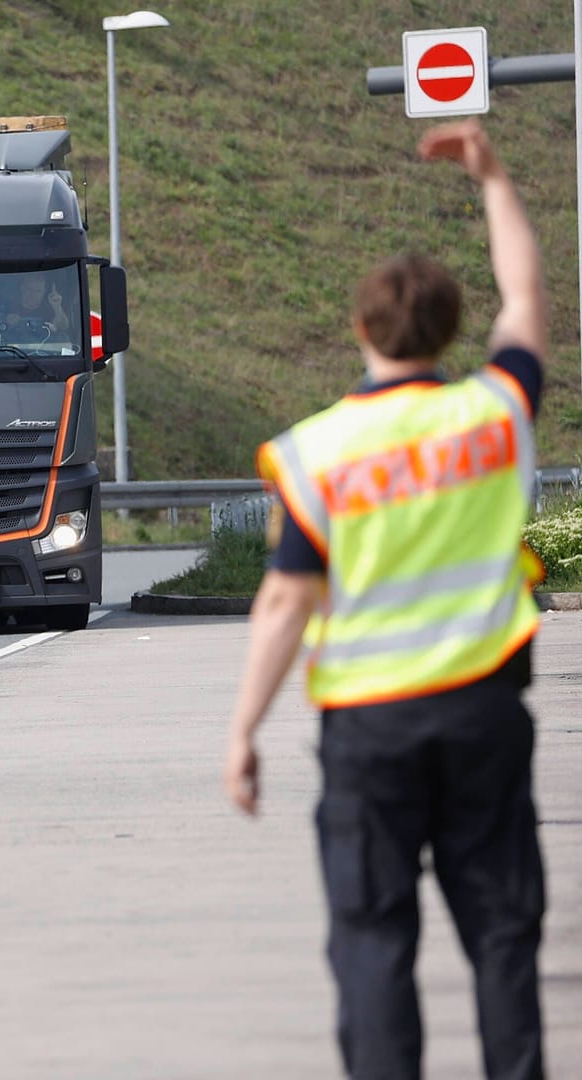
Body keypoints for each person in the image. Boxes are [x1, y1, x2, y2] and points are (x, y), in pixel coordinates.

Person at [223, 119, 547, 1080]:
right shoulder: (494, 415)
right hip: (485, 710)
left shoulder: (323, 452)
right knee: (501, 929)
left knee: (372, 939)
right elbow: (527, 299)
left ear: (360, 330)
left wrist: (243, 730)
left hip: (369, 730)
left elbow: (285, 604)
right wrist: (493, 180)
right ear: (451, 332)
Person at [0, 272, 71, 343]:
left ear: (44, 291)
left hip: (45, 351)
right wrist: (7, 323)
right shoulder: (10, 306)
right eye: (30, 289)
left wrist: (57, 307)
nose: (33, 295)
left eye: (38, 291)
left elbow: (63, 327)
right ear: (22, 288)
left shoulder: (49, 308)